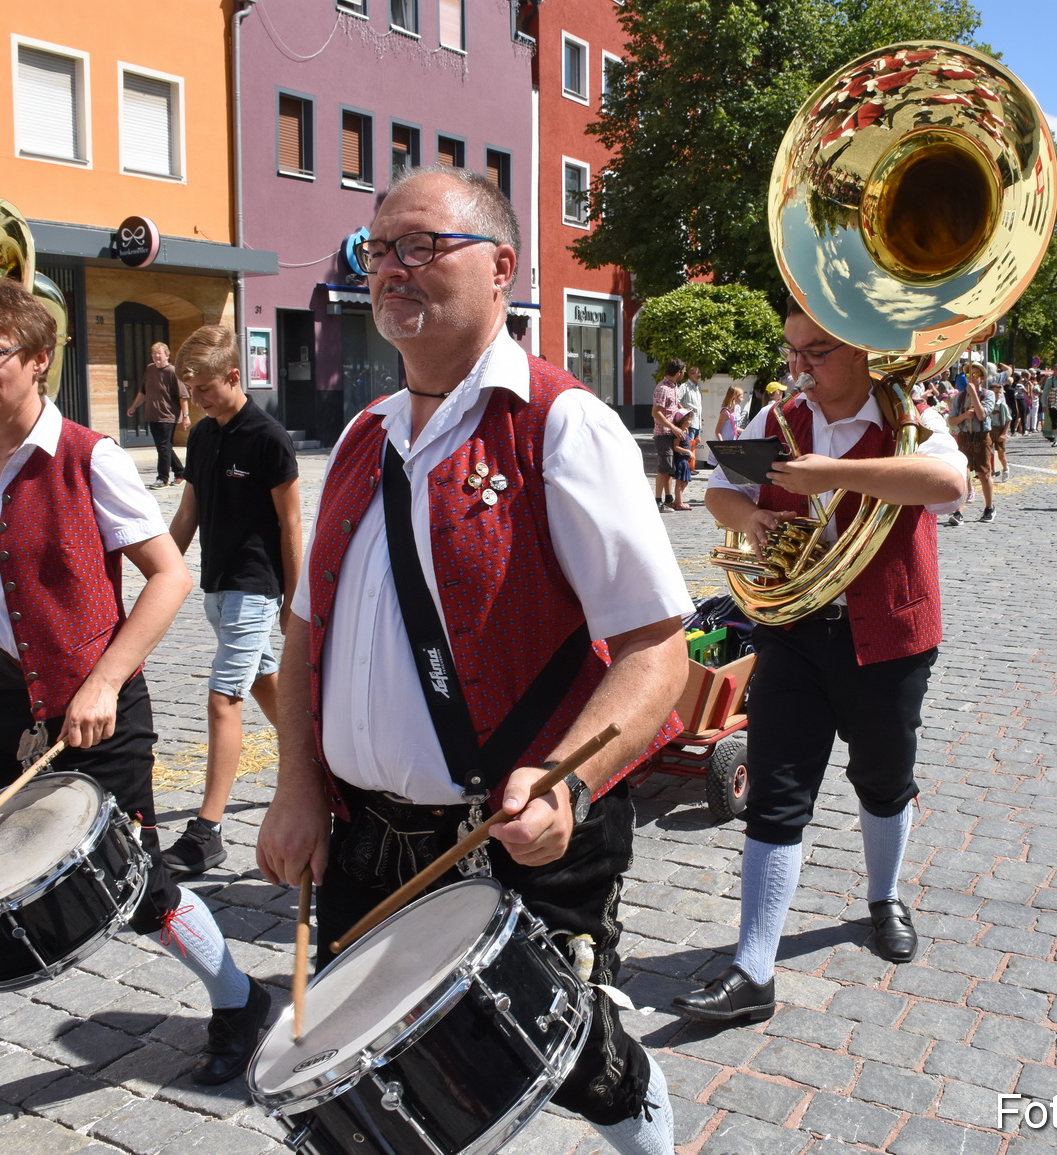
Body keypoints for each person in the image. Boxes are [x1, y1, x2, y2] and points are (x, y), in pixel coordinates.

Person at [254, 167, 688, 1155]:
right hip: (366, 841)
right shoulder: (361, 435)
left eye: (421, 246)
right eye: (379, 250)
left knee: (581, 1066)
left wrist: (567, 779)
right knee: (376, 1089)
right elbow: (306, 628)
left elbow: (656, 650)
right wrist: (296, 787)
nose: (392, 268)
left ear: (502, 268)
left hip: (513, 835)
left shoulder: (560, 423)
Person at [0, 280, 266, 1155]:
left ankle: (241, 999)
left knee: (134, 892)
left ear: (36, 361)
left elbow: (170, 575)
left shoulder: (87, 459)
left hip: (92, 714)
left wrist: (102, 682)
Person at [678, 297, 965, 1025]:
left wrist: (834, 472)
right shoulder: (774, 419)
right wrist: (754, 517)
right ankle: (753, 970)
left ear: (860, 349)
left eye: (816, 352)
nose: (799, 366)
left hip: (890, 631)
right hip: (794, 629)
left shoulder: (909, 416)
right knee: (776, 789)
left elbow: (949, 486)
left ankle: (883, 898)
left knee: (883, 778)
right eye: (793, 350)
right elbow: (720, 491)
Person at [162, 325, 302, 876]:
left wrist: (294, 600)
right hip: (217, 588)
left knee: (224, 698)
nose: (197, 399)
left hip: (255, 586)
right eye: (190, 390)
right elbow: (188, 514)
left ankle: (207, 833)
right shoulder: (201, 436)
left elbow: (292, 523)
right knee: (263, 679)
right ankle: (315, 769)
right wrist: (160, 572)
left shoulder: (269, 438)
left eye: (205, 388)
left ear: (234, 376)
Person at [125, 341, 191, 488]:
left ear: (166, 355)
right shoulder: (150, 369)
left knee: (163, 447)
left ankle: (163, 478)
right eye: (154, 354)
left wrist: (186, 416)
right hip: (152, 415)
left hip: (168, 416)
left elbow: (183, 396)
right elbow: (143, 392)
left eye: (159, 353)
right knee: (164, 447)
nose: (156, 356)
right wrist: (133, 407)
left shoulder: (172, 372)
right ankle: (180, 473)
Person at [946, 364, 995, 524]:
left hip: (981, 436)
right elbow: (951, 420)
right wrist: (964, 416)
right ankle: (959, 511)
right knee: (963, 473)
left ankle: (989, 507)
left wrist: (974, 394)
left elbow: (981, 415)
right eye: (969, 375)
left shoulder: (988, 394)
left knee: (983, 473)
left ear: (982, 378)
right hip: (964, 436)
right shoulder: (959, 397)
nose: (972, 378)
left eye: (975, 375)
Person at [651, 358, 687, 511]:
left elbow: (674, 405)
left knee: (670, 468)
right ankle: (657, 501)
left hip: (672, 432)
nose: (683, 374)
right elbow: (656, 413)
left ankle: (668, 499)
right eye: (683, 372)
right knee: (664, 468)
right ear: (678, 372)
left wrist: (684, 417)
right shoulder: (663, 388)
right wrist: (673, 427)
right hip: (663, 433)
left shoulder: (674, 386)